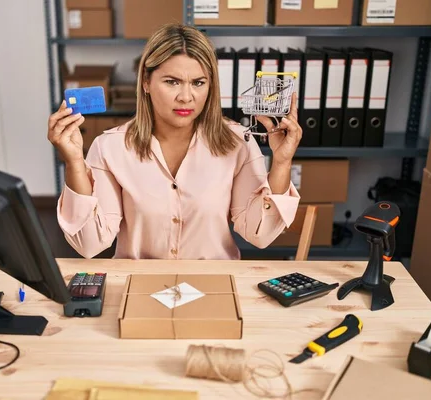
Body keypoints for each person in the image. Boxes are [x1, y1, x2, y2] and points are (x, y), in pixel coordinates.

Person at [47, 23, 302, 260]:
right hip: (140, 287)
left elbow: (260, 234)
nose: (186, 97)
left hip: (213, 286)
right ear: (146, 82)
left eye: (198, 83)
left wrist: (281, 163)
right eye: (172, 82)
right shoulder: (110, 148)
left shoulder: (238, 142)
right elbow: (89, 244)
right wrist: (74, 163)